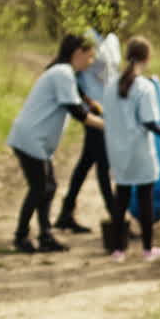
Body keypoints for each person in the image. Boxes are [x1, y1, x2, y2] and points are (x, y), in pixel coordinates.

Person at [6, 34, 105, 253]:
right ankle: (21, 236)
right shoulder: (62, 73)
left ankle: (45, 235)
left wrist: (93, 105)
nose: (90, 63)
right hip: (30, 139)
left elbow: (79, 98)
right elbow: (78, 113)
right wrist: (109, 127)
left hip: (36, 141)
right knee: (40, 188)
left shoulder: (63, 72)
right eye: (89, 57)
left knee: (48, 187)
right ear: (78, 53)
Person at [101, 36, 160, 262]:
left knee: (121, 198)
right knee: (145, 197)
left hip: (117, 151)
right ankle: (147, 249)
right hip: (140, 150)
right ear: (147, 58)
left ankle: (118, 250)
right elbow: (149, 122)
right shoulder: (144, 87)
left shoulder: (110, 86)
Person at [55, 32, 115, 235]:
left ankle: (65, 213)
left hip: (106, 108)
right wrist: (87, 101)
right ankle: (116, 217)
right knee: (103, 164)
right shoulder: (88, 37)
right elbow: (74, 77)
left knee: (86, 162)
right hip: (93, 115)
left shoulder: (113, 40)